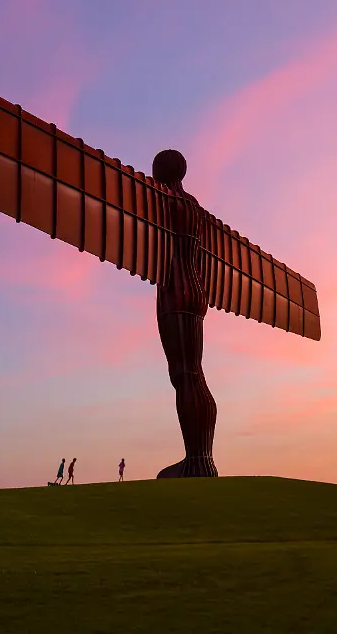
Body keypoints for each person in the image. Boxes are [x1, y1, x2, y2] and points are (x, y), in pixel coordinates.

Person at [153, 148, 218, 478]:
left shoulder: (161, 200)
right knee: (193, 373)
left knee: (184, 374)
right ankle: (200, 457)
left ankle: (197, 461)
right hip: (196, 290)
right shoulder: (195, 208)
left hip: (174, 290)